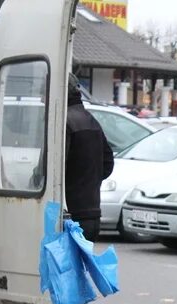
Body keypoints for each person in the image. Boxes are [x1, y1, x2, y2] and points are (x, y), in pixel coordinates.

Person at [65, 73, 114, 243]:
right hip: (92, 211)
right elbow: (108, 164)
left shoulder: (63, 122)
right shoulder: (91, 121)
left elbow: (53, 169)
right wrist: (89, 182)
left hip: (70, 215)